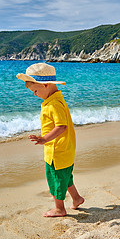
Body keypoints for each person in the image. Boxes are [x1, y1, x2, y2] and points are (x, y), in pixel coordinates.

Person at [17, 63, 84, 217]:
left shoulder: (54, 104)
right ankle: (77, 198)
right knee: (66, 177)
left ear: (45, 85)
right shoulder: (55, 100)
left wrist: (43, 139)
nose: (34, 94)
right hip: (63, 149)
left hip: (57, 150)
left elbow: (62, 126)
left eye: (35, 90)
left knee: (56, 180)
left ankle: (60, 209)